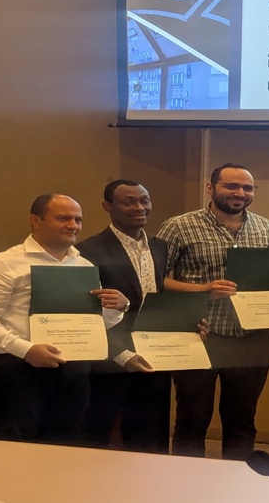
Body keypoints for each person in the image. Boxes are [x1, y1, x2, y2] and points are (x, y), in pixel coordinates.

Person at [0, 194, 130, 445]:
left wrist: (117, 308)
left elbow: (91, 324)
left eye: (78, 220)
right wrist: (26, 349)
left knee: (65, 448)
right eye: (63, 218)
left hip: (73, 370)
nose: (73, 226)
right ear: (35, 221)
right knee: (16, 450)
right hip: (19, 370)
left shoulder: (83, 266)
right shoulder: (5, 264)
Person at [156, 162, 269, 460]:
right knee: (192, 419)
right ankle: (188, 486)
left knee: (242, 421)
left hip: (252, 339)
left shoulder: (267, 228)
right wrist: (203, 290)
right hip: (199, 335)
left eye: (247, 188)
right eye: (231, 186)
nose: (240, 193)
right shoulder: (178, 226)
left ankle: (236, 484)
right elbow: (155, 278)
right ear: (211, 188)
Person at [76, 179, 171, 453]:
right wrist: (122, 354)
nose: (139, 207)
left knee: (150, 438)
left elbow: (158, 299)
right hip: (111, 360)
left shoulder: (159, 246)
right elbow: (88, 313)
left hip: (155, 357)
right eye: (129, 201)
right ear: (108, 206)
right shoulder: (87, 250)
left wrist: (186, 324)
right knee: (98, 438)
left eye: (144, 200)